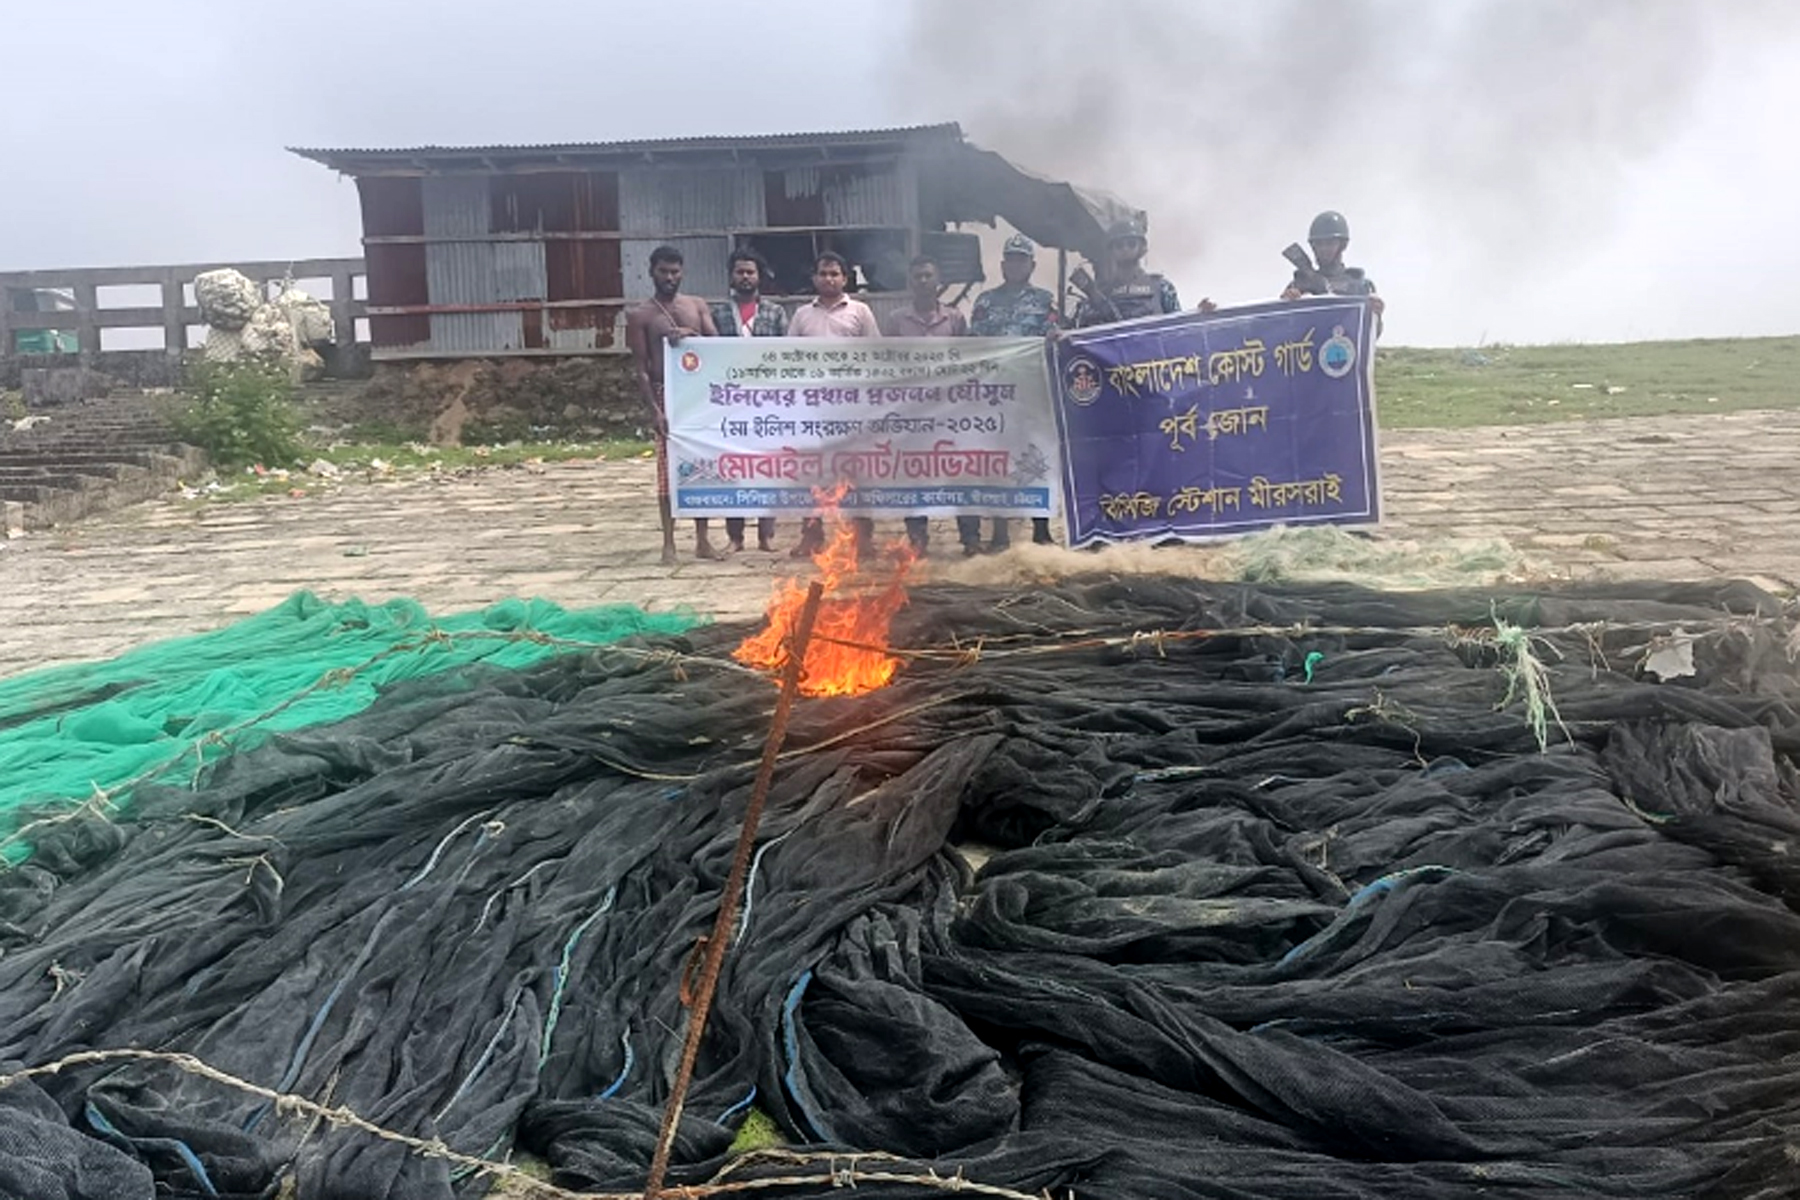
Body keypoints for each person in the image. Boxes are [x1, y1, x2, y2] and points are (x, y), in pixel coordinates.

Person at [625, 244, 720, 564]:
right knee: (668, 474)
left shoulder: (697, 305)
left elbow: (718, 346)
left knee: (702, 469)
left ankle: (703, 540)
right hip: (667, 392)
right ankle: (669, 543)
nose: (670, 277)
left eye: (675, 272)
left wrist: (692, 333)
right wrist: (655, 409)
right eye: (663, 271)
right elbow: (640, 367)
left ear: (682, 273)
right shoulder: (641, 315)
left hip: (697, 395)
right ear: (652, 271)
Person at [969, 234, 1058, 551]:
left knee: (1036, 459)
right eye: (1011, 259)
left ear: (1031, 265)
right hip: (994, 396)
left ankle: (1042, 529)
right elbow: (972, 345)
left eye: (1022, 259)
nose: (1016, 265)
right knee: (997, 464)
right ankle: (1000, 532)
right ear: (1003, 264)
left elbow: (1056, 338)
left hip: (1033, 394)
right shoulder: (985, 302)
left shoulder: (1046, 301)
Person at [789, 252, 878, 559]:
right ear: (814, 278)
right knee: (811, 473)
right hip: (813, 410)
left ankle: (863, 537)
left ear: (845, 278)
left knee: (856, 473)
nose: (828, 279)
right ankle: (811, 536)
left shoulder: (861, 312)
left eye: (834, 274)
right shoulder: (802, 315)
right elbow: (788, 358)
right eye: (823, 273)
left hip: (852, 407)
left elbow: (874, 355)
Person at [882, 254, 966, 554]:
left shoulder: (955, 318)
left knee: (959, 471)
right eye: (917, 276)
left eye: (928, 276)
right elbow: (886, 363)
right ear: (910, 282)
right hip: (911, 413)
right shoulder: (895, 321)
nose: (922, 281)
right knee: (913, 474)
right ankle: (918, 538)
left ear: (938, 280)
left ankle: (968, 539)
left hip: (949, 413)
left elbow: (968, 361)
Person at [710, 249, 787, 553]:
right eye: (740, 272)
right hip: (731, 404)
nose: (745, 277)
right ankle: (735, 537)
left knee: (768, 469)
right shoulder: (717, 313)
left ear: (759, 276)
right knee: (734, 470)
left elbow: (787, 356)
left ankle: (766, 536)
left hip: (768, 403)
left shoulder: (775, 312)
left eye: (750, 272)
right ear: (731, 276)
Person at [1071, 217, 1187, 328]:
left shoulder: (1161, 288)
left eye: (1131, 244)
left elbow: (1180, 327)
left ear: (1142, 248)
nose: (1125, 249)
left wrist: (1202, 313)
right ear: (1111, 250)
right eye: (1119, 245)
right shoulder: (1100, 293)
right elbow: (1081, 335)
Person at [1281, 210, 1386, 332]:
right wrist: (1287, 303)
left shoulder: (1359, 285)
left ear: (1342, 245)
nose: (1324, 249)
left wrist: (1377, 314)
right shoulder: (1300, 284)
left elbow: (1370, 335)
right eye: (1319, 244)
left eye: (1330, 243)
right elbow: (1282, 330)